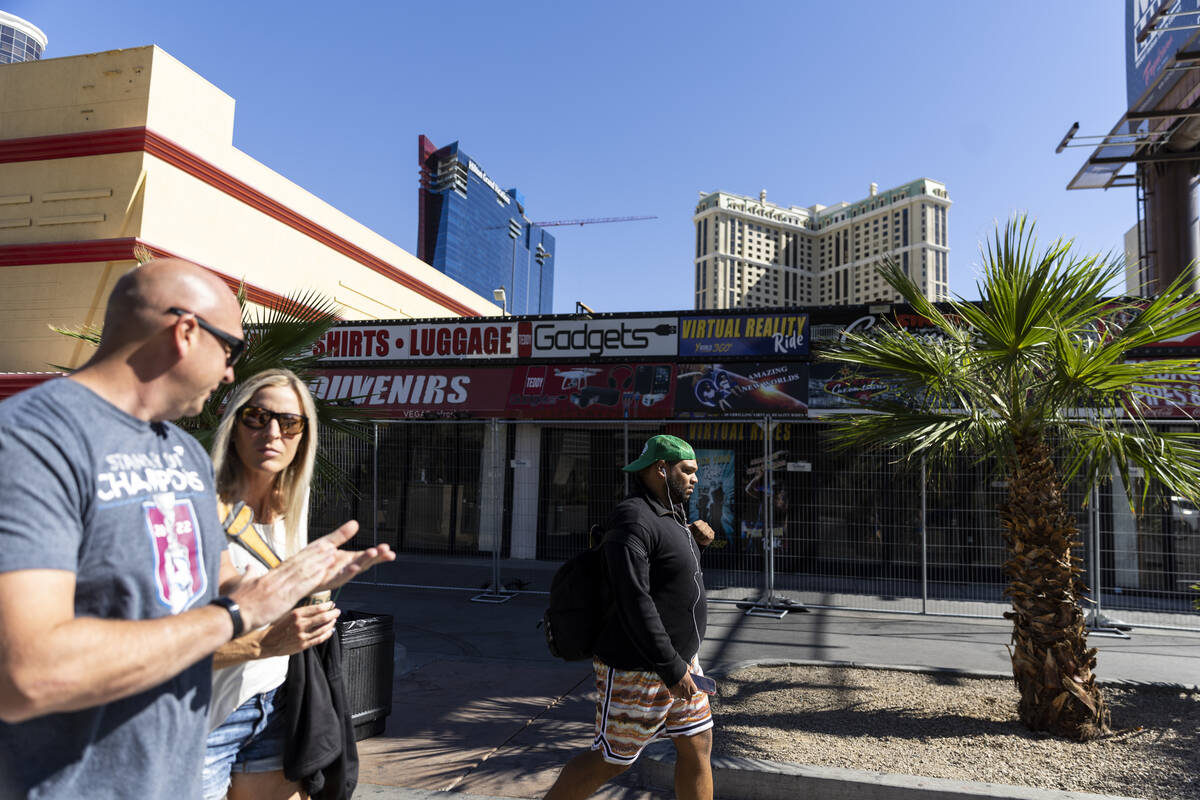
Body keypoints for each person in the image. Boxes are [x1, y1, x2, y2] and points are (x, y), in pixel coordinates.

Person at [0, 259, 393, 798]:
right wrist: (237, 617)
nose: (231, 374)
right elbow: (27, 672)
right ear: (186, 332)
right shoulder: (33, 441)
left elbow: (219, 580)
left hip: (172, 771)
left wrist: (292, 581)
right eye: (229, 350)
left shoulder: (180, 453)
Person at [544, 434, 716, 800]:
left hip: (682, 663)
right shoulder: (632, 519)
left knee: (698, 742)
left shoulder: (670, 514)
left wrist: (696, 543)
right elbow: (634, 600)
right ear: (660, 469)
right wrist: (671, 668)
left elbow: (667, 577)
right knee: (613, 760)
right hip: (638, 669)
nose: (695, 479)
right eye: (687, 471)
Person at [202, 369, 335, 800]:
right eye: (257, 417)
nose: (273, 432)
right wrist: (266, 643)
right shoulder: (197, 503)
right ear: (234, 424)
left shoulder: (295, 500)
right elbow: (158, 649)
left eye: (290, 422)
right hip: (201, 719)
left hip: (275, 704)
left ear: (304, 436)